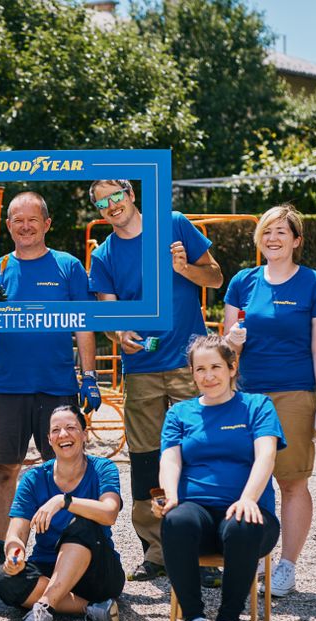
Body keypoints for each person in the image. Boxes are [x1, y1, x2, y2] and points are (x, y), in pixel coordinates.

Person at [87, 180, 223, 583]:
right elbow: (109, 317)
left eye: (116, 196)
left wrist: (185, 269)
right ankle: (157, 552)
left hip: (190, 363)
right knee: (147, 461)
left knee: (199, 454)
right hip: (142, 369)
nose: (111, 206)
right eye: (102, 203)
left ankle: (205, 551)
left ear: (131, 195)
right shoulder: (103, 255)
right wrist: (119, 333)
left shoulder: (174, 224)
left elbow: (215, 277)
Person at [0, 192, 100, 585]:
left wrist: (89, 376)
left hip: (57, 386)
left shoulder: (68, 266)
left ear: (47, 224)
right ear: (8, 225)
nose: (25, 226)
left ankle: (63, 548)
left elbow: (85, 324)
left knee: (64, 469)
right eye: (17, 220)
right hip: (8, 385)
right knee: (4, 470)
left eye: (32, 219)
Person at [223, 205, 316, 597]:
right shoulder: (243, 282)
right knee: (245, 480)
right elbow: (227, 349)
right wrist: (231, 341)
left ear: (296, 240)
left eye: (281, 232)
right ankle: (253, 556)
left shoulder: (315, 284)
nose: (273, 239)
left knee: (291, 481)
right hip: (246, 397)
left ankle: (286, 566)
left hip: (294, 394)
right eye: (267, 232)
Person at [157, 334, 283, 621]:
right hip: (196, 513)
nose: (208, 376)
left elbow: (266, 456)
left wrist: (248, 498)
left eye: (215, 367)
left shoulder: (257, 406)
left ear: (231, 367)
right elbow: (170, 460)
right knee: (176, 520)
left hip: (248, 516)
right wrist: (171, 496)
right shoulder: (180, 413)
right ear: (192, 373)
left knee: (242, 523)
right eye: (200, 369)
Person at [0, 406, 123, 621]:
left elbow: (109, 513)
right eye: (56, 430)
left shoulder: (103, 468)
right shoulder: (34, 478)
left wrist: (64, 501)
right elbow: (17, 531)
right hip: (47, 568)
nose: (63, 434)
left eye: (71, 427)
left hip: (96, 573)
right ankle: (91, 608)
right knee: (4, 578)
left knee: (83, 522)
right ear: (49, 440)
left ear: (84, 434)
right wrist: (14, 552)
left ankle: (44, 607)